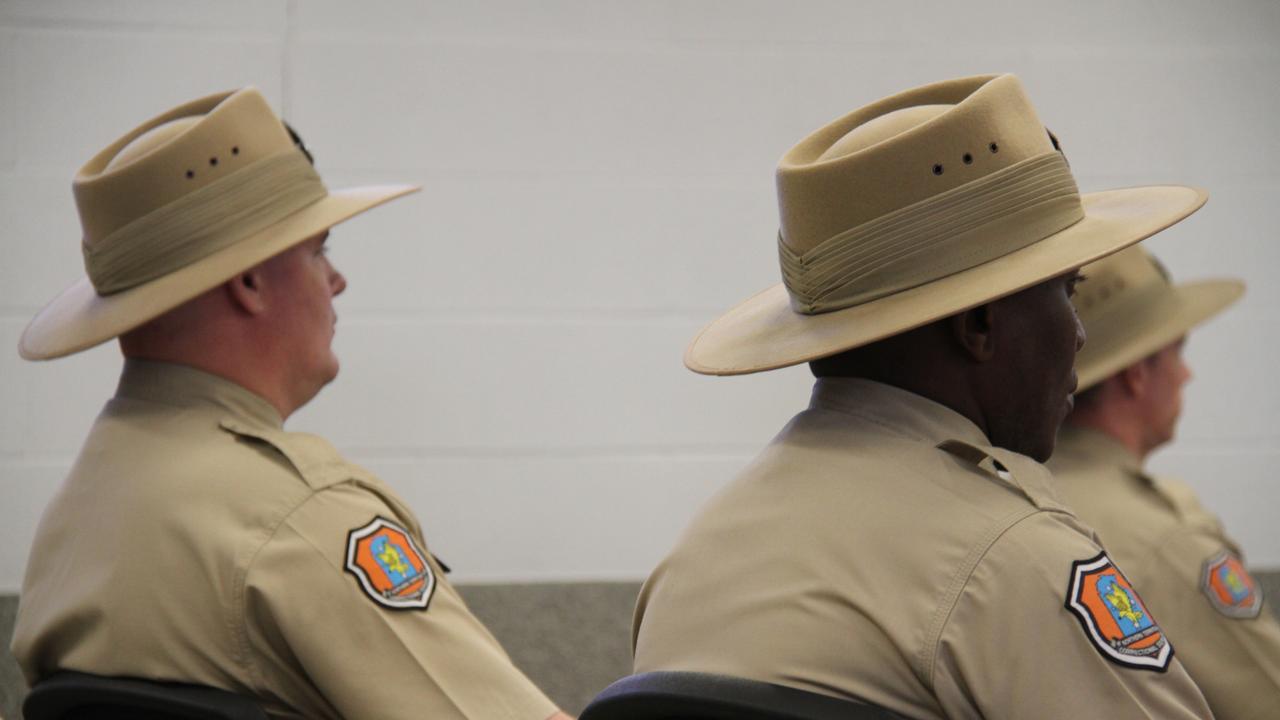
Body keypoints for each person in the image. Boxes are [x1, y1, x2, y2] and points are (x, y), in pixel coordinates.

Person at [631, 74, 1215, 718]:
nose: (1079, 335)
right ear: (980, 326)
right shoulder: (1009, 556)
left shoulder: (691, 562)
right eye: (1065, 292)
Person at [10, 88, 568, 720]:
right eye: (317, 249)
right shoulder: (300, 517)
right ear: (248, 282)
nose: (337, 280)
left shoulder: (77, 513)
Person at [1049, 245, 1280, 719]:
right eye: (1177, 351)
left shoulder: (1017, 492)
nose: (1187, 373)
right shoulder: (1165, 543)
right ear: (1136, 375)